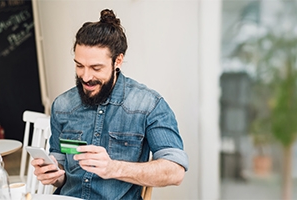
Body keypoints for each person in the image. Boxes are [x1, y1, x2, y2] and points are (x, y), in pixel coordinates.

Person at [31, 9, 188, 199]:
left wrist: (114, 168)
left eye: (96, 68)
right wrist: (52, 174)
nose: (86, 77)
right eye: (79, 65)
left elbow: (175, 171)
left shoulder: (148, 104)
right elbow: (61, 172)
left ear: (118, 61)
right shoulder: (62, 105)